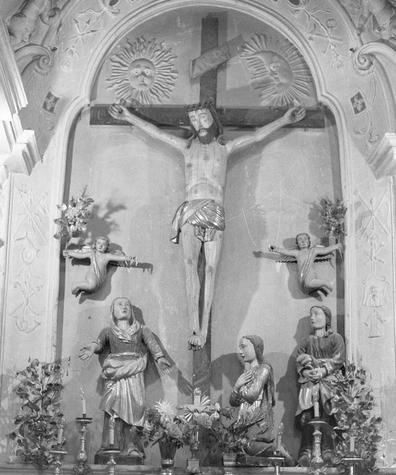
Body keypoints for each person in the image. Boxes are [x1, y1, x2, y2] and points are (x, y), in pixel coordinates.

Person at [109, 101, 306, 350]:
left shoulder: (225, 148)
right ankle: (194, 328)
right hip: (191, 207)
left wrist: (285, 120)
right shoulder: (186, 147)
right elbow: (157, 133)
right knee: (190, 267)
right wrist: (129, 116)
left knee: (211, 269)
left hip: (214, 209)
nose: (198, 122)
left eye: (202, 116)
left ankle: (203, 329)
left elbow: (256, 136)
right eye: (193, 118)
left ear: (212, 118)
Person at [79, 297, 171, 456]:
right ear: (113, 312)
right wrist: (92, 347)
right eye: (120, 304)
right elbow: (99, 343)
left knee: (135, 410)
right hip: (114, 373)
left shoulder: (141, 329)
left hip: (134, 372)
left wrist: (160, 358)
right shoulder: (108, 331)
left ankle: (132, 447)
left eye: (127, 305)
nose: (124, 307)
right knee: (112, 409)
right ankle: (109, 446)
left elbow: (152, 344)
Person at [295, 305, 345, 466]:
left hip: (329, 384)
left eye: (317, 314)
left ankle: (328, 449)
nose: (312, 317)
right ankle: (306, 450)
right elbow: (299, 360)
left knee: (327, 413)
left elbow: (338, 359)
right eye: (311, 314)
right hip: (310, 385)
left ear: (327, 318)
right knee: (307, 416)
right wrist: (306, 372)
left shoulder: (335, 338)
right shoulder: (306, 341)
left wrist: (323, 371)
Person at [230, 335, 275, 456]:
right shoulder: (246, 374)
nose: (241, 351)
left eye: (244, 347)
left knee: (247, 446)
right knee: (234, 446)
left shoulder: (264, 369)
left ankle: (276, 449)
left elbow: (252, 395)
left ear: (256, 348)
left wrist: (239, 387)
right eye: (240, 347)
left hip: (258, 424)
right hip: (244, 424)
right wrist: (236, 387)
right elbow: (233, 402)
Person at [269, 232, 342, 298]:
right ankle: (318, 288)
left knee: (309, 283)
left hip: (310, 273)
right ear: (297, 244)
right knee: (306, 287)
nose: (303, 241)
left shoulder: (313, 250)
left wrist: (337, 246)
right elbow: (286, 251)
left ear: (309, 242)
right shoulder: (297, 253)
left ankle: (325, 283)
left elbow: (325, 250)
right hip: (301, 276)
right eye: (300, 240)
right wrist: (275, 249)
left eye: (305, 239)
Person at [63, 236, 136, 296]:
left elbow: (118, 258)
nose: (100, 246)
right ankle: (77, 285)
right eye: (99, 243)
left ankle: (82, 289)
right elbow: (80, 255)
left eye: (103, 244)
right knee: (92, 285)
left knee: (94, 287)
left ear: (107, 247)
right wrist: (70, 253)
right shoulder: (92, 253)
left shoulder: (107, 256)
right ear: (95, 244)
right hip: (92, 273)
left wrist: (129, 258)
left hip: (100, 277)